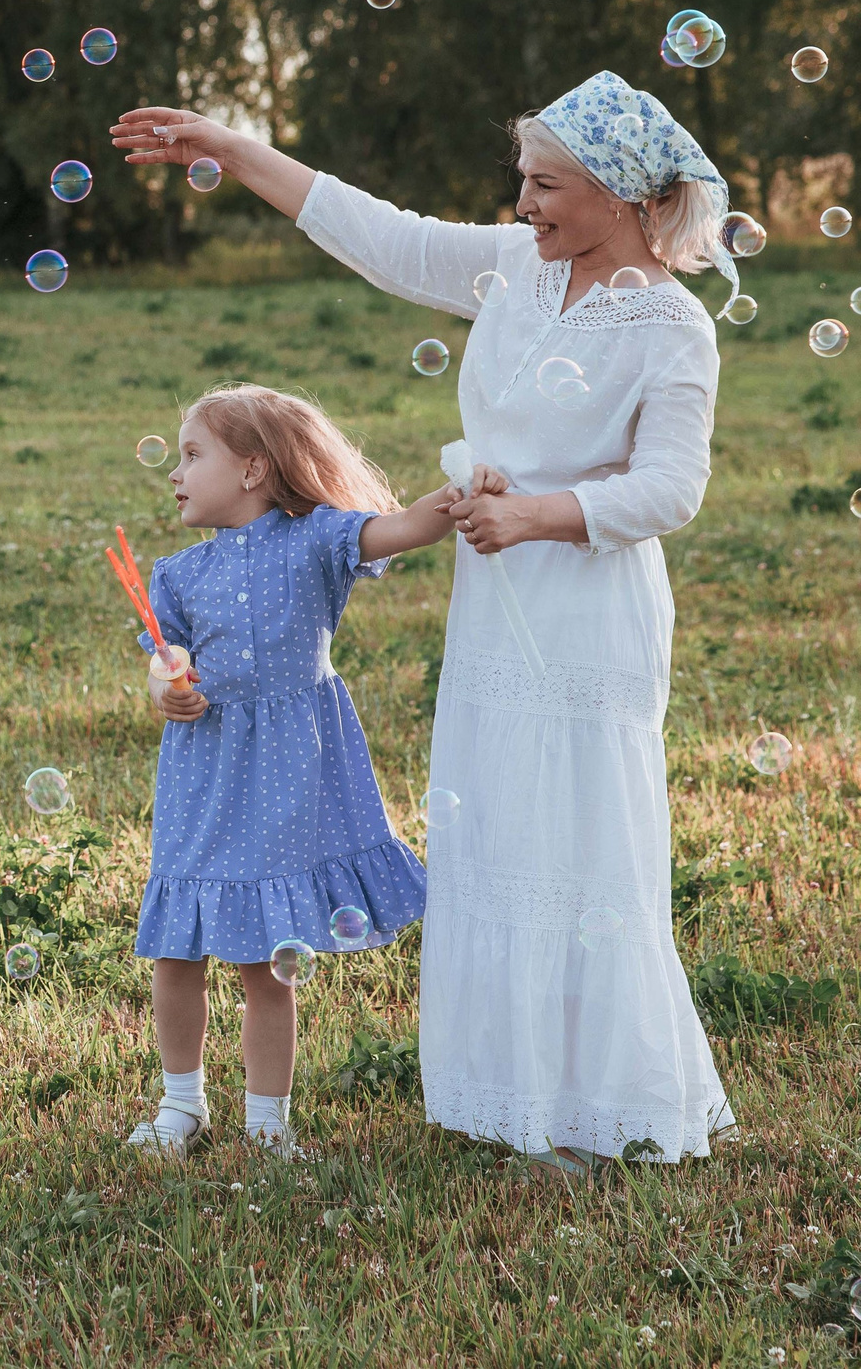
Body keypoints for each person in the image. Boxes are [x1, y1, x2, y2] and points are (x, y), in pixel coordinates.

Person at [111, 71, 737, 1169]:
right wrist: (228, 145)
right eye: (522, 182)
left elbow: (671, 489)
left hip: (586, 604)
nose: (526, 202)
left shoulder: (670, 323)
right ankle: (512, 1099)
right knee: (496, 827)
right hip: (495, 606)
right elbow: (378, 234)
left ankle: (601, 1107)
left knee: (581, 839)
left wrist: (538, 513)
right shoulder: (510, 269)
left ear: (622, 192)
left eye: (545, 184)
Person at [127, 385, 457, 1157]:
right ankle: (182, 1105)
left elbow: (406, 527)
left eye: (192, 454)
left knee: (263, 958)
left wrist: (462, 491)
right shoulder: (176, 574)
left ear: (252, 469)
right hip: (203, 775)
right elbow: (160, 660)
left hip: (285, 774)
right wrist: (164, 687)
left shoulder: (317, 542)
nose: (175, 473)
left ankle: (267, 1125)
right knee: (177, 946)